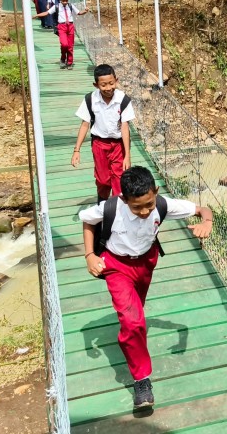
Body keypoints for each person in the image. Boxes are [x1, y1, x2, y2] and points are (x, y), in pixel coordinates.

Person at [78, 166, 213, 409]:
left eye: (148, 204)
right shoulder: (110, 208)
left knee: (135, 315)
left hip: (146, 263)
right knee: (132, 321)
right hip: (116, 265)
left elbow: (202, 209)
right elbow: (88, 221)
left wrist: (207, 221)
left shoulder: (162, 204)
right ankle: (142, 380)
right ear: (123, 199)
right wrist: (89, 254)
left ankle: (130, 336)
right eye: (136, 207)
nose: (144, 211)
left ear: (156, 192)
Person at [71, 64, 134, 197]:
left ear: (116, 80)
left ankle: (118, 207)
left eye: (111, 83)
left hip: (118, 145)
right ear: (96, 85)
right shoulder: (90, 100)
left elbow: (125, 126)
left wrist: (127, 155)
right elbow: (84, 125)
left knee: (119, 177)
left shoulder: (123, 100)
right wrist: (77, 150)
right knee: (103, 179)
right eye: (103, 85)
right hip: (99, 144)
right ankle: (103, 204)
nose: (108, 88)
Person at [34, 0, 84, 69]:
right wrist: (36, 15)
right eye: (63, 0)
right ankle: (63, 59)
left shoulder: (70, 6)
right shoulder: (56, 6)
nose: (65, 2)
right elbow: (47, 13)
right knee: (64, 44)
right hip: (62, 27)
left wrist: (85, 11)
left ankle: (69, 62)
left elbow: (79, 13)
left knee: (70, 46)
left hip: (70, 26)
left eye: (66, 0)